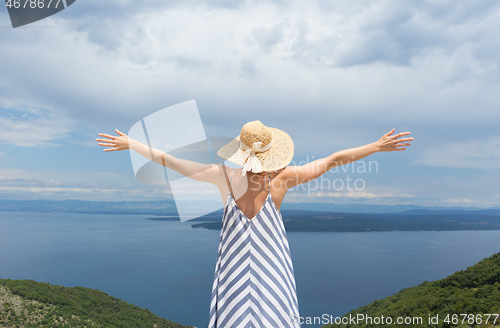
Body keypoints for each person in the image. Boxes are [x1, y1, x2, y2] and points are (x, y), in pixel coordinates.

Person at [96, 120, 413, 328]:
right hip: (273, 275)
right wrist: (376, 147)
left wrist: (133, 145)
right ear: (272, 155)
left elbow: (172, 162)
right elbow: (332, 161)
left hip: (232, 275)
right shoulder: (282, 179)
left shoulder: (224, 177)